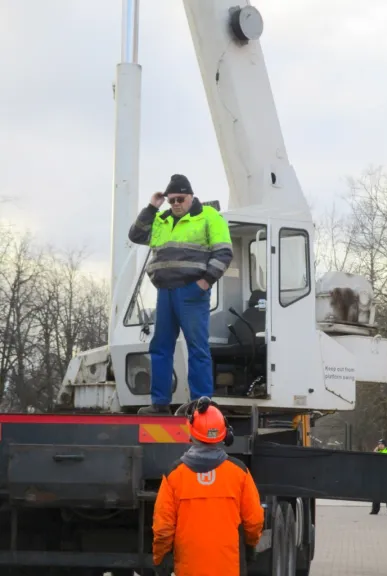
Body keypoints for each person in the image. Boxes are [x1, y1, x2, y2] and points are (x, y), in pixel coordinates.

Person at [128, 174, 233, 414]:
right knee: (160, 347)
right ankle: (160, 403)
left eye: (180, 198)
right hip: (165, 292)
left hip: (192, 292)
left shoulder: (209, 217)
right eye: (171, 199)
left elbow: (224, 253)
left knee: (197, 347)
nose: (175, 203)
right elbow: (135, 235)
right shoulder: (161, 220)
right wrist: (152, 206)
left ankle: (202, 404)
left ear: (191, 197)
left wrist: (205, 283)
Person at [152, 397, 264, 576]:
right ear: (225, 434)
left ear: (191, 433)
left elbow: (163, 528)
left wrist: (160, 560)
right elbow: (254, 521)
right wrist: (249, 547)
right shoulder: (239, 473)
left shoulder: (175, 475)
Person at [370, 439, 387, 516]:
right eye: (379, 444)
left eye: (381, 444)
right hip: (378, 474)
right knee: (376, 492)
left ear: (384, 445)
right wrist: (374, 452)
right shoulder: (377, 451)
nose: (380, 445)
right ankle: (375, 510)